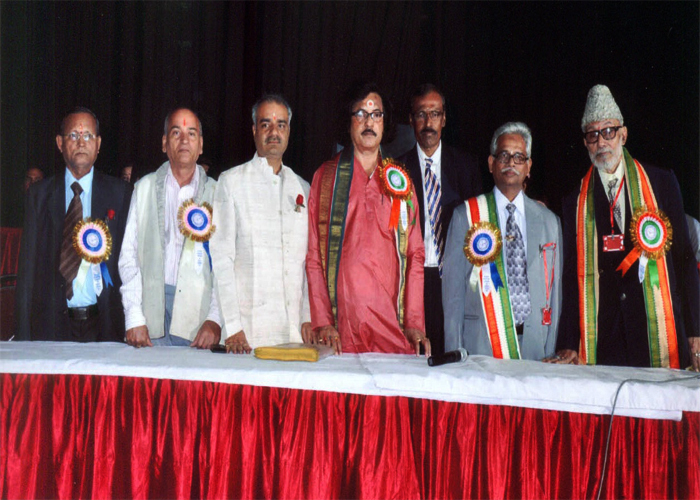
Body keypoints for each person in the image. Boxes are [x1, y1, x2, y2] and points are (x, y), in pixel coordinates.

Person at [553, 85, 700, 370]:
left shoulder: (661, 183)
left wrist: (696, 329)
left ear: (623, 134)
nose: (601, 142)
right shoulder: (574, 201)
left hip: (657, 331)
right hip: (603, 339)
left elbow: (684, 258)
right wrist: (569, 342)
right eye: (593, 134)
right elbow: (571, 278)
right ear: (585, 143)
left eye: (608, 131)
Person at [306, 82, 430, 356]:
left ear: (385, 123)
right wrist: (323, 322)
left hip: (392, 329)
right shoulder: (325, 178)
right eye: (360, 113)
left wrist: (413, 323)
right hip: (341, 331)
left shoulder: (401, 182)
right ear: (348, 121)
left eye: (376, 114)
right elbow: (314, 257)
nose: (369, 122)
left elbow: (415, 254)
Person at [443, 122, 562, 360]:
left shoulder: (550, 221)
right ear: (491, 163)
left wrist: (551, 351)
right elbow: (453, 296)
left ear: (529, 166)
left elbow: (555, 296)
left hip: (535, 349)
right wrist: (454, 354)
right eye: (504, 156)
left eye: (519, 157)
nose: (511, 163)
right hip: (481, 347)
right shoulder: (466, 216)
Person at [16, 107, 132, 341]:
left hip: (106, 326)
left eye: (88, 135)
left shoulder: (121, 194)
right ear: (60, 143)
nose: (81, 142)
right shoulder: (39, 196)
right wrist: (23, 336)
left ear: (98, 144)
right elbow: (27, 273)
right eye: (73, 135)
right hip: (51, 327)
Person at [211, 94, 312, 353]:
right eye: (266, 124)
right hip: (247, 335)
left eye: (281, 125)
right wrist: (232, 327)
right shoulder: (232, 182)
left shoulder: (303, 188)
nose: (274, 132)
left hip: (294, 332)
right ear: (254, 130)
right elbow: (222, 260)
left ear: (289, 131)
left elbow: (307, 265)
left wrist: (307, 318)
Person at [119, 108, 221, 348]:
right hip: (149, 316)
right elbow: (128, 256)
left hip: (199, 319)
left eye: (191, 133)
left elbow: (226, 264)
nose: (184, 140)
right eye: (176, 133)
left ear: (201, 145)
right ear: (164, 143)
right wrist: (134, 316)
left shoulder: (218, 193)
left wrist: (215, 318)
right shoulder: (143, 188)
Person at [398, 83, 482, 355]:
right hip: (414, 283)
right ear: (411, 120)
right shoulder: (396, 171)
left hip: (454, 281)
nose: (428, 122)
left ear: (444, 119)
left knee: (453, 356)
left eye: (434, 114)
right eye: (421, 114)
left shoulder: (467, 167)